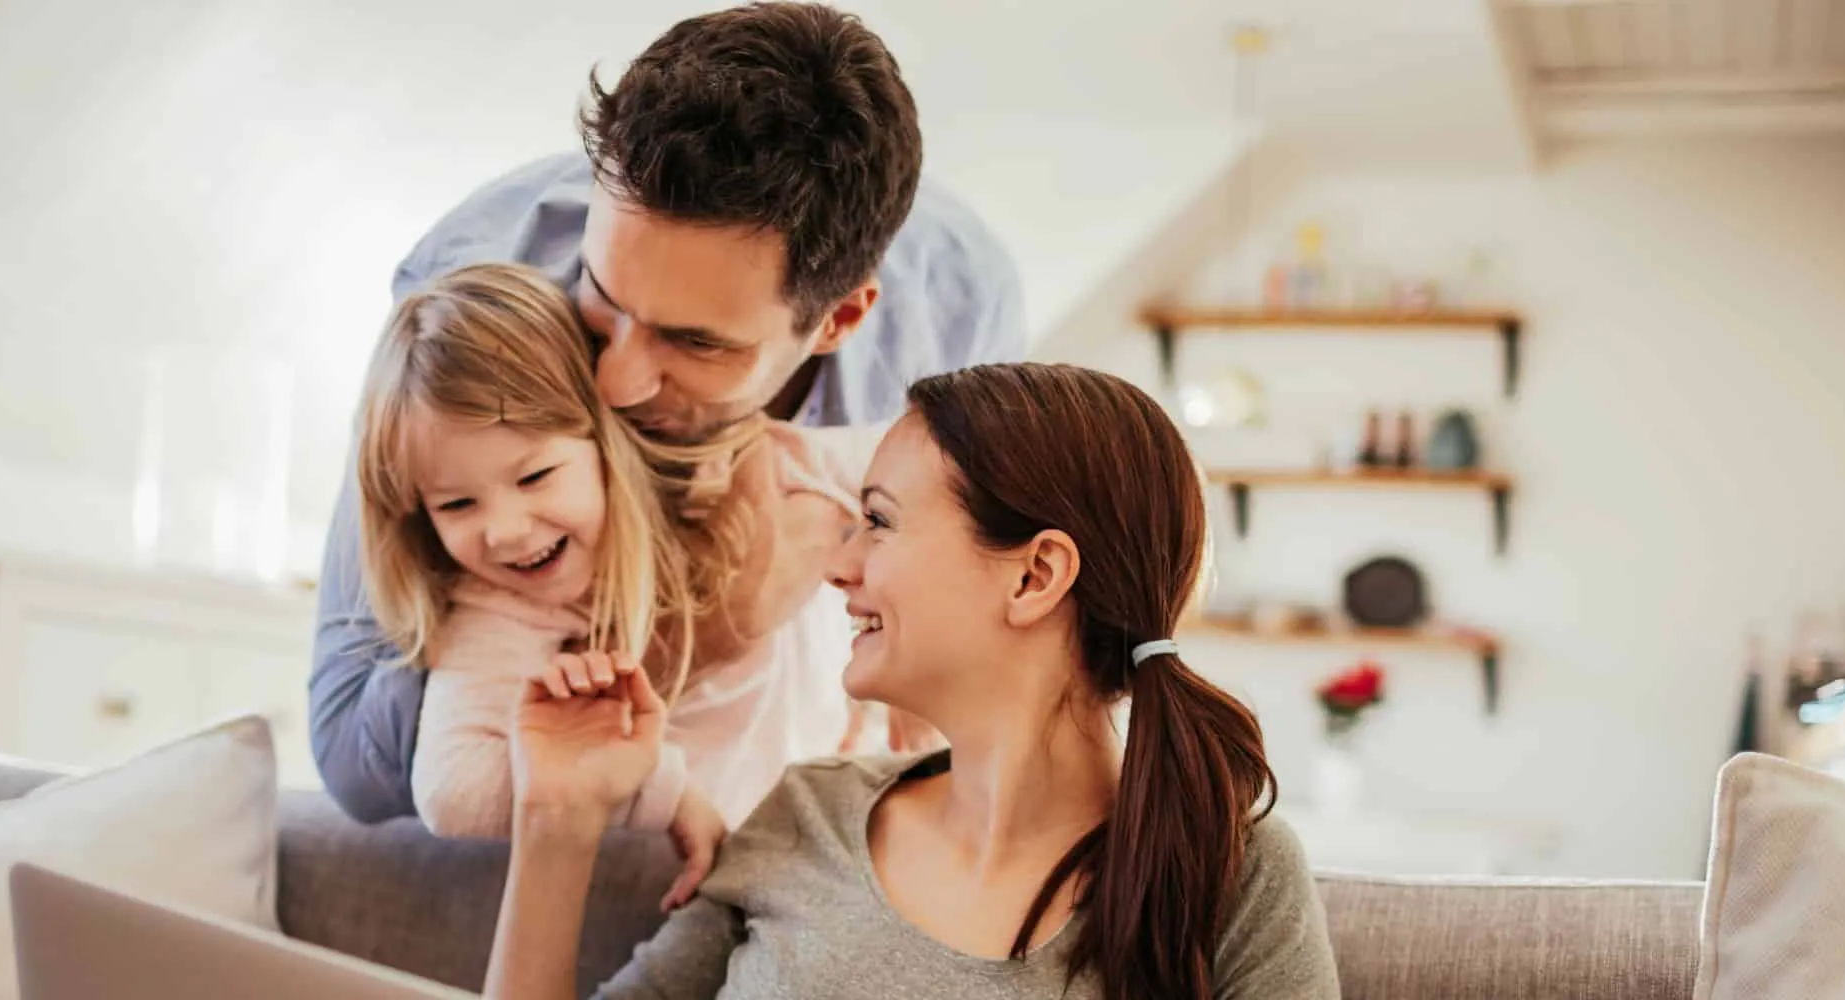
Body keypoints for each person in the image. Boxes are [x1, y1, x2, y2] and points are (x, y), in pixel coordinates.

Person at [312, 1, 1025, 825]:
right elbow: (354, 761)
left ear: (838, 320)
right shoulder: (468, 297)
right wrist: (694, 632)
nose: (612, 382)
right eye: (602, 297)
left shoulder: (958, 315)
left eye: (695, 343)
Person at [489, 363, 1342, 1000]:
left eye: (880, 522)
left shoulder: (1226, 873)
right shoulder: (806, 814)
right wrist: (556, 817)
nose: (839, 565)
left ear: (1034, 575)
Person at [357, 261, 867, 908]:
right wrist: (659, 788)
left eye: (535, 476)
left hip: (854, 816)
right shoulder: (497, 605)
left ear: (606, 440)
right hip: (737, 878)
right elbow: (452, 792)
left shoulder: (746, 472)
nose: (506, 531)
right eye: (456, 506)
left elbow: (933, 473)